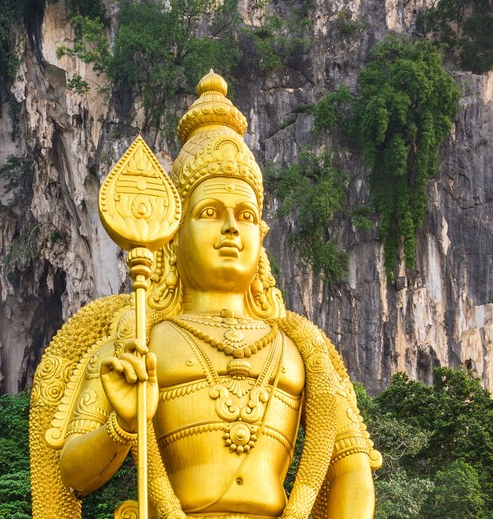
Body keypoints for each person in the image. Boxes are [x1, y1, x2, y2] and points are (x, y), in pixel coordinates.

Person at [28, 72, 380, 519]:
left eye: (246, 214)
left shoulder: (303, 350)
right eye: (211, 212)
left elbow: (352, 468)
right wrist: (121, 425)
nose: (232, 227)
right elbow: (73, 474)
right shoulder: (136, 342)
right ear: (174, 237)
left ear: (261, 234)